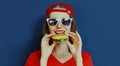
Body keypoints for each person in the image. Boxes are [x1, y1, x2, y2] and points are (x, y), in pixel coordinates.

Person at [24, 2, 93, 66]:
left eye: (65, 21)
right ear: (47, 27)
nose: (59, 26)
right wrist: (44, 59)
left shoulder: (84, 58)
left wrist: (78, 58)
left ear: (71, 25)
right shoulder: (35, 57)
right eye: (53, 21)